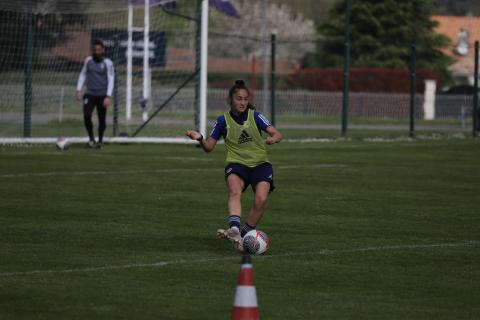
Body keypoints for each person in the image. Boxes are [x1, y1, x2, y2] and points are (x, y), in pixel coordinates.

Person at [186, 80, 282, 252]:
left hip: (260, 164)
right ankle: (234, 228)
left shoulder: (255, 116)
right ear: (230, 99)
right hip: (236, 164)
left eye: (245, 99)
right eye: (239, 99)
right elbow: (209, 147)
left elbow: (276, 133)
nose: (243, 102)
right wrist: (200, 138)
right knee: (234, 190)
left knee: (261, 199)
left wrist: (273, 139)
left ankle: (243, 235)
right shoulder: (223, 121)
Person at [75, 39, 114, 149]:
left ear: (103, 50)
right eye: (94, 50)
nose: (96, 52)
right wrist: (78, 89)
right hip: (90, 94)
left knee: (102, 120)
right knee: (87, 115)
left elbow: (111, 79)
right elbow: (83, 74)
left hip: (102, 95)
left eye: (98, 50)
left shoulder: (108, 63)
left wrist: (108, 96)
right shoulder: (88, 61)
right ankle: (91, 139)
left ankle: (100, 141)